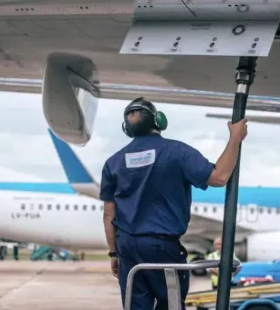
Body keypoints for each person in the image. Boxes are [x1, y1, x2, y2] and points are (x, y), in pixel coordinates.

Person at [100, 97, 248, 310]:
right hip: (162, 248)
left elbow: (108, 214)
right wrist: (235, 138)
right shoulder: (176, 152)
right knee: (171, 305)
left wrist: (114, 254)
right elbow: (220, 177)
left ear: (127, 129)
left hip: (128, 249)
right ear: (159, 121)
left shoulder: (113, 162)